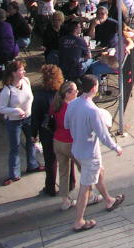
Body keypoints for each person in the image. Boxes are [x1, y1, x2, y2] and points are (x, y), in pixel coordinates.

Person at [65, 74, 124, 232]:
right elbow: (103, 135)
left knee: (99, 172)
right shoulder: (93, 111)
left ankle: (109, 200)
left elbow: (66, 124)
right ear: (93, 89)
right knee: (86, 187)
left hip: (77, 149)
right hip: (90, 153)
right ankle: (79, 221)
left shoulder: (72, 104)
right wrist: (116, 147)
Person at [0, 59, 43, 185]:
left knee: (31, 141)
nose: (24, 71)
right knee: (15, 147)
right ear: (13, 73)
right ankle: (14, 174)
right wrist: (16, 110)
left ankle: (32, 165)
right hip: (14, 122)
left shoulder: (26, 81)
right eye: (21, 70)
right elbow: (2, 109)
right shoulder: (7, 91)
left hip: (28, 118)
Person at [31, 64, 64, 197]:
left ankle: (50, 188)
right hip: (62, 130)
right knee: (67, 158)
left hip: (47, 132)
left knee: (50, 161)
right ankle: (71, 183)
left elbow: (35, 117)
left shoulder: (39, 95)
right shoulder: (63, 92)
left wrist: (33, 134)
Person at [52, 80, 80, 211]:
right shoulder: (70, 108)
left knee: (63, 172)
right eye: (75, 90)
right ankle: (89, 195)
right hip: (69, 142)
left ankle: (65, 200)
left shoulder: (56, 105)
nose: (77, 92)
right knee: (85, 168)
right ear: (68, 93)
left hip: (57, 141)